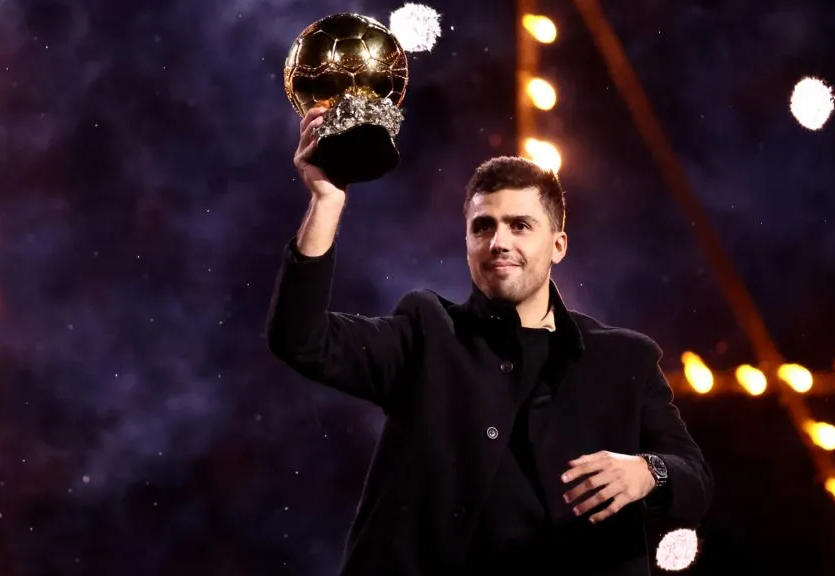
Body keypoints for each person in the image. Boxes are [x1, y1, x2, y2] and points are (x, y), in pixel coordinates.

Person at [266, 107, 713, 576]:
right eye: (483, 227)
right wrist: (327, 199)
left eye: (519, 225)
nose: (498, 241)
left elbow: (695, 480)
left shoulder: (625, 359)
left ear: (557, 245)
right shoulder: (426, 332)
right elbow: (301, 338)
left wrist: (648, 470)